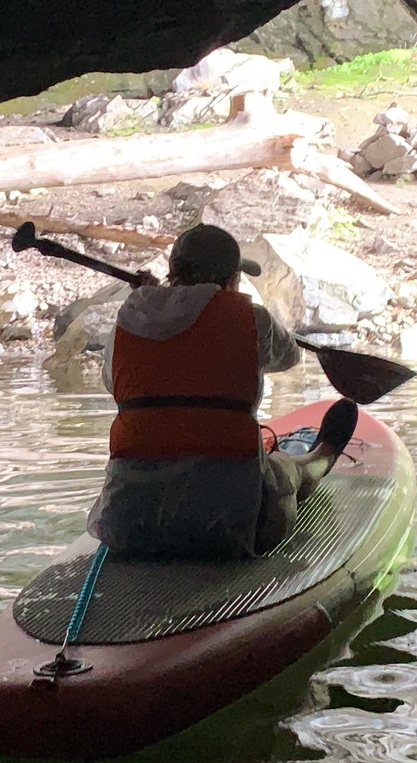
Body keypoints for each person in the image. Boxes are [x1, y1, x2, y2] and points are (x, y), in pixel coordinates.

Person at [87, 223, 357, 560]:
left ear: (172, 274)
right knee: (286, 471)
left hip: (127, 522)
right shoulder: (251, 318)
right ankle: (320, 458)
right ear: (232, 279)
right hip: (228, 527)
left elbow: (116, 384)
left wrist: (153, 300)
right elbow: (288, 357)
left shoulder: (130, 319)